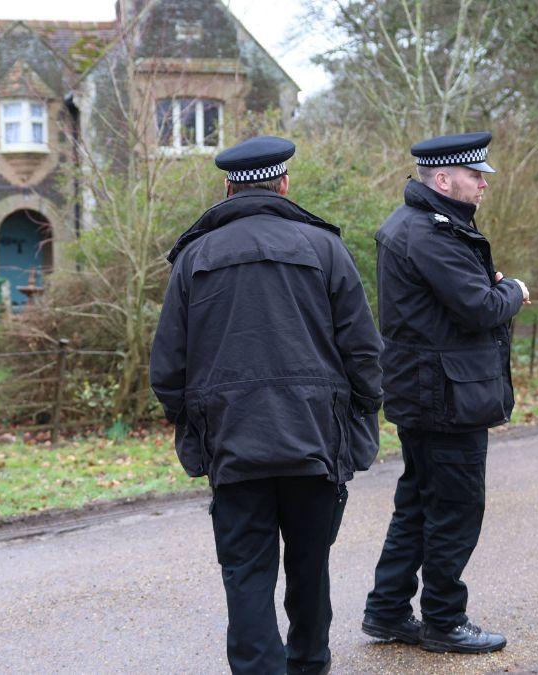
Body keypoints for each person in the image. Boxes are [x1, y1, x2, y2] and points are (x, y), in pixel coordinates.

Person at [150, 135, 383, 674]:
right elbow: (364, 351)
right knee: (310, 567)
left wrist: (193, 424)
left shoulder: (194, 257)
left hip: (233, 441)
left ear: (228, 187)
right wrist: (362, 414)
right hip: (314, 438)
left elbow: (167, 367)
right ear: (284, 184)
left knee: (246, 574)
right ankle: (309, 664)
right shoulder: (325, 248)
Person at [361, 131, 528, 654]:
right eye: (475, 175)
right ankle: (443, 620)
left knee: (417, 504)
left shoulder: (421, 226)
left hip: (428, 391)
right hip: (446, 397)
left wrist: (487, 287)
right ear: (443, 179)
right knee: (454, 509)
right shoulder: (431, 233)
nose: (483, 184)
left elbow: (456, 301)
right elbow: (480, 308)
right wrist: (513, 290)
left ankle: (388, 610)